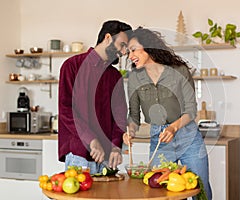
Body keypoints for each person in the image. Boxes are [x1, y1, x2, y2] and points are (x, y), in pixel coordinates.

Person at [123, 27, 212, 199]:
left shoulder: (179, 70)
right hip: (159, 139)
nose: (130, 56)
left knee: (200, 189)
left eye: (133, 50)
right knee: (161, 192)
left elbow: (191, 109)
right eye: (128, 52)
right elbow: (133, 114)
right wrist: (130, 131)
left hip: (188, 136)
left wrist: (173, 128)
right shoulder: (134, 77)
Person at [58, 20, 132, 174]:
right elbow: (66, 111)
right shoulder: (71, 66)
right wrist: (91, 140)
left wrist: (116, 147)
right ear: (108, 38)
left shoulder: (114, 76)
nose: (124, 52)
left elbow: (119, 115)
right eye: (123, 45)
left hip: (108, 159)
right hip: (80, 156)